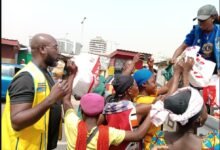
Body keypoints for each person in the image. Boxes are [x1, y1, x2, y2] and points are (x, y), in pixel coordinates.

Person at [2, 33, 70, 150]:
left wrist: (71, 74)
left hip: (41, 145)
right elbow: (17, 121)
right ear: (42, 49)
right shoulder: (26, 77)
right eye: (55, 47)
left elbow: (60, 96)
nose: (58, 52)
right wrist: (50, 100)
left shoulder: (44, 73)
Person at [62, 65, 153, 150]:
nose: (137, 87)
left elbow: (66, 101)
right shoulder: (108, 133)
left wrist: (71, 74)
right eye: (135, 85)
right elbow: (138, 135)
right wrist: (154, 110)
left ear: (81, 110)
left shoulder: (72, 124)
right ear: (100, 112)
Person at [149, 57, 220, 150]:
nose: (206, 108)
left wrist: (186, 73)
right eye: (204, 106)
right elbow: (187, 104)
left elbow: (185, 104)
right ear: (199, 119)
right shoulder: (211, 144)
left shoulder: (159, 139)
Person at [101, 74, 152, 149]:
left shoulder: (108, 109)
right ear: (129, 91)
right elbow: (163, 104)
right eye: (136, 86)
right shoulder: (137, 109)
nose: (137, 88)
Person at [171, 4, 220, 74]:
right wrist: (174, 57)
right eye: (198, 20)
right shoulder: (196, 31)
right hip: (198, 70)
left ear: (212, 18)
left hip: (215, 72)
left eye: (203, 20)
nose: (200, 23)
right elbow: (183, 46)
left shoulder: (218, 31)